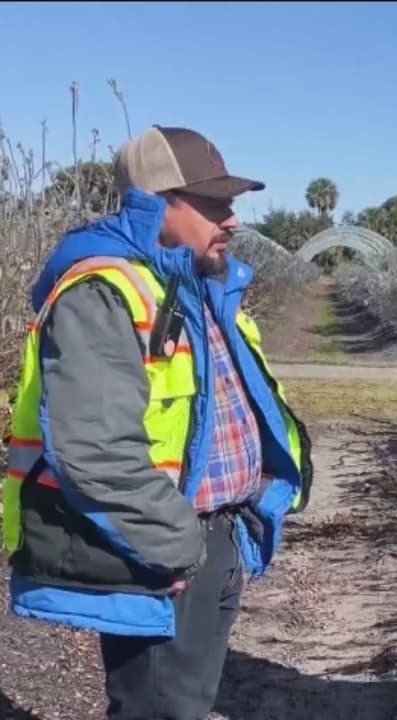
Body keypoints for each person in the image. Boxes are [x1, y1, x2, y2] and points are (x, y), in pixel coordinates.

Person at [2, 124, 313, 720]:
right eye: (213, 203)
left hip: (210, 539)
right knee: (159, 709)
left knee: (184, 706)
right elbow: (94, 450)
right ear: (155, 202)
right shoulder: (105, 293)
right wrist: (177, 548)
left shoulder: (196, 285)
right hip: (160, 552)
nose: (232, 220)